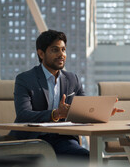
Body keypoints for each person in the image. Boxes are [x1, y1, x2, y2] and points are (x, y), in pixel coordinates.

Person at [10, 29, 90, 159]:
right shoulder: (25, 79)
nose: (61, 54)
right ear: (41, 54)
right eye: (55, 50)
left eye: (63, 50)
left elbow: (84, 108)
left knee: (89, 158)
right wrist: (55, 114)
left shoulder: (72, 79)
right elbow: (23, 114)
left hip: (63, 139)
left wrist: (99, 112)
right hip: (34, 140)